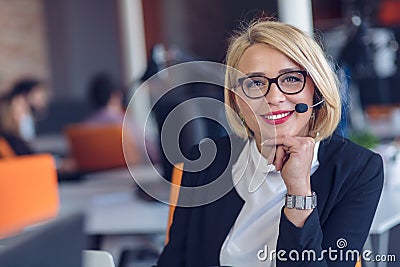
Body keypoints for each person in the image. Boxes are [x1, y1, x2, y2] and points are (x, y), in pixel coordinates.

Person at [156, 19, 384, 266]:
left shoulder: (358, 170)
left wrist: (299, 191)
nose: (273, 97)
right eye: (255, 83)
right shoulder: (205, 162)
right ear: (236, 100)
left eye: (291, 79)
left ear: (315, 89)